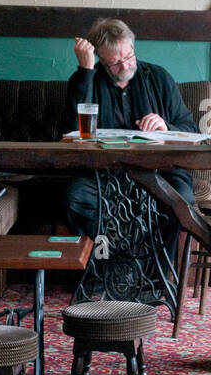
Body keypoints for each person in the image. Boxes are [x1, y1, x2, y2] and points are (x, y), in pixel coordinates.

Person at [61, 18, 198, 239]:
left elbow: (190, 129)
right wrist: (85, 71)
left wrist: (166, 127)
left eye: (128, 56)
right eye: (115, 63)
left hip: (160, 173)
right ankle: (103, 266)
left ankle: (156, 272)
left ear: (133, 47)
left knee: (180, 198)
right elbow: (70, 131)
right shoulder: (88, 80)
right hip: (102, 175)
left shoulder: (159, 78)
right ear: (101, 60)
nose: (125, 66)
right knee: (75, 196)